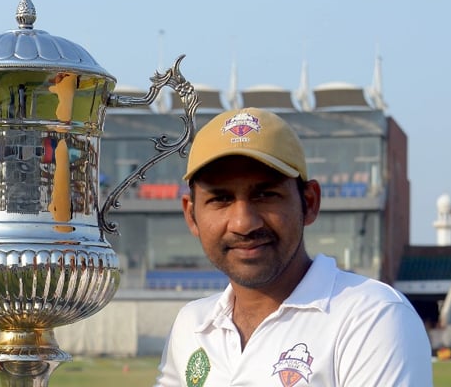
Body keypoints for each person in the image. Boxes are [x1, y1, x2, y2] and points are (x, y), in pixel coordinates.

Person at [154, 108, 433, 386]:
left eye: (266, 195)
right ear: (191, 215)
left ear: (309, 203)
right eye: (221, 199)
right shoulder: (192, 325)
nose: (243, 223)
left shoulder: (372, 317)